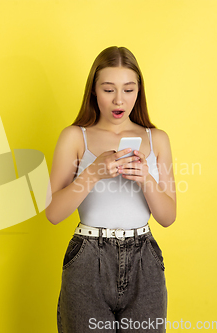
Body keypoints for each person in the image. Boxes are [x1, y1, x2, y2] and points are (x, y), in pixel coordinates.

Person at [45, 46, 177, 333]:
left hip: (145, 260)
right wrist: (93, 174)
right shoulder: (74, 137)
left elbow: (168, 217)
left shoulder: (157, 140)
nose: (119, 100)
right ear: (93, 90)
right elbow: (53, 213)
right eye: (108, 90)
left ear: (139, 91)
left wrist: (146, 179)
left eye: (129, 90)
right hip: (88, 259)